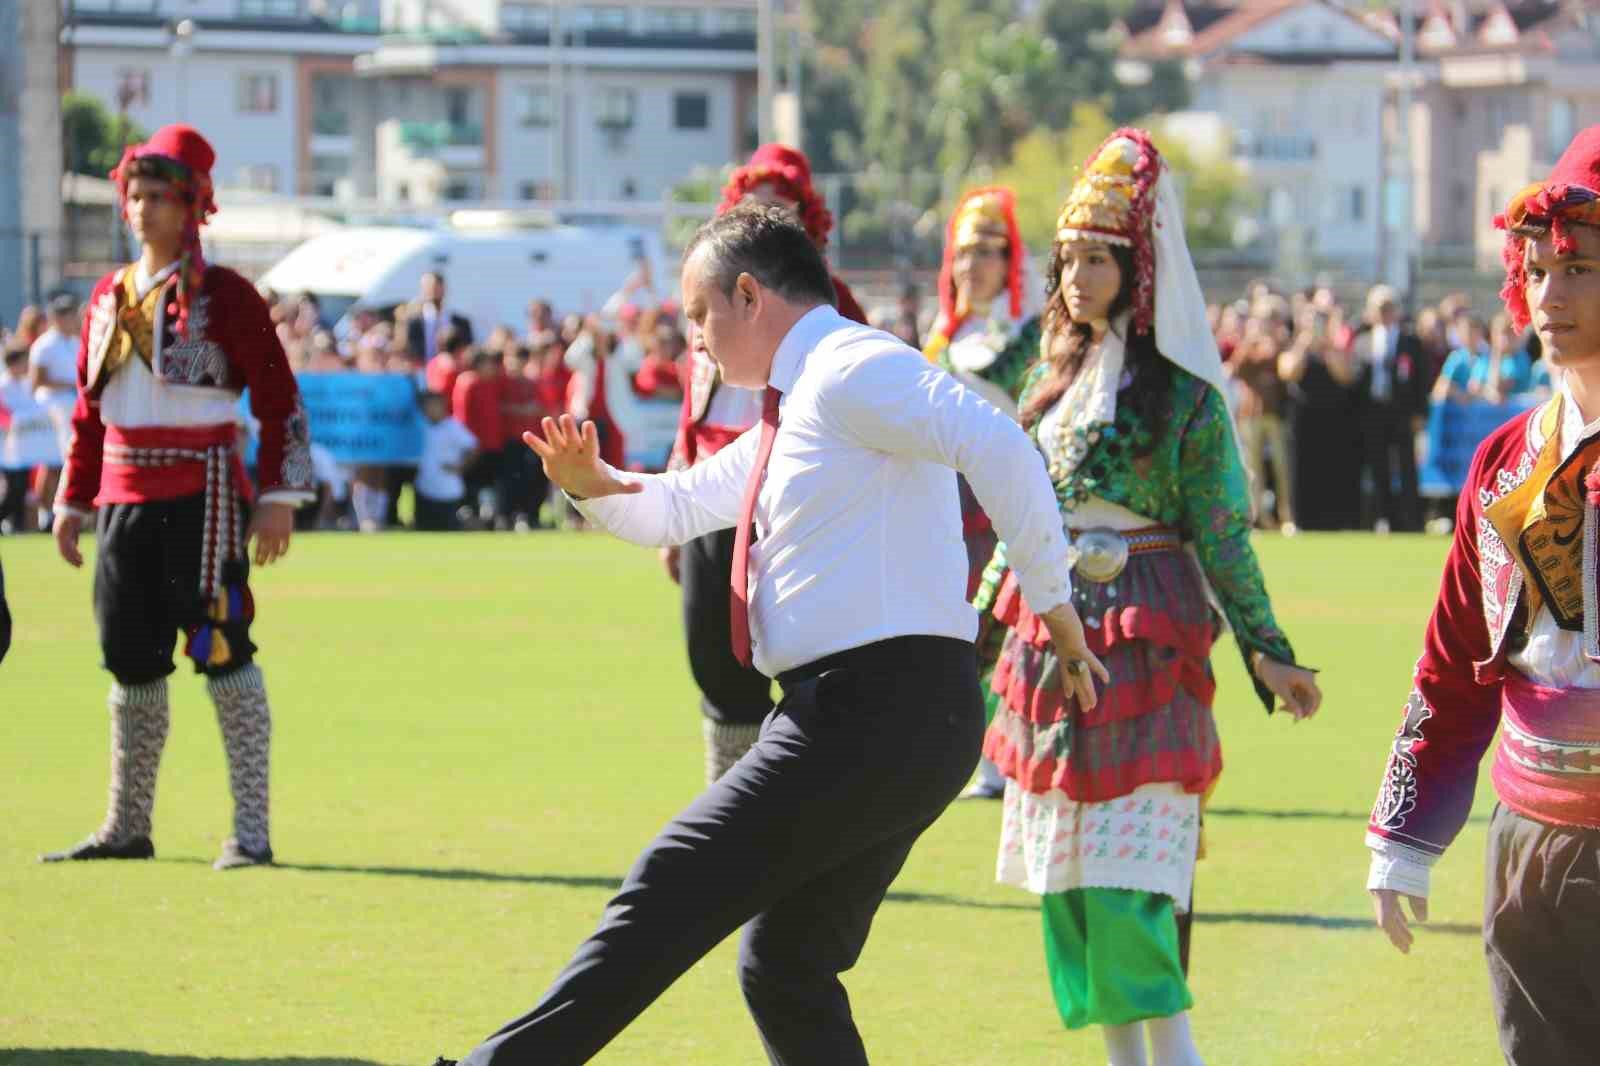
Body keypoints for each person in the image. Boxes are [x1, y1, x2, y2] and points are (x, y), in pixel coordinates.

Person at [431, 203, 1105, 1066]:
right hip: (890, 717)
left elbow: (1003, 449)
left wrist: (1055, 609)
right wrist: (590, 483)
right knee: (785, 964)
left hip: (876, 710)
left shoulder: (850, 368)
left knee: (671, 880)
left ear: (749, 295)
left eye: (700, 316)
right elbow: (677, 505)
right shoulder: (801, 407)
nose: (695, 342)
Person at [978, 130, 1321, 1066]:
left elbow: (1222, 533)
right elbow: (1024, 525)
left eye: (1099, 257)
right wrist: (968, 635)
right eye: (1070, 258)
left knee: (1131, 876)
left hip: (1146, 637)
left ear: (1138, 267)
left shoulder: (1186, 399)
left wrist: (1266, 645)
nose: (1079, 275)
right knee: (1073, 892)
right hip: (1051, 644)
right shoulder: (1050, 388)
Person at [1366, 124, 1600, 1066]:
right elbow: (1454, 657)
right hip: (1530, 848)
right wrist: (1404, 832)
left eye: (1582, 270)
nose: (1553, 294)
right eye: (1538, 269)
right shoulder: (1506, 463)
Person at [42, 124, 313, 869]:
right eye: (135, 195)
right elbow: (89, 412)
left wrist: (280, 495)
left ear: (193, 207)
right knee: (129, 662)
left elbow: (280, 401)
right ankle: (127, 825)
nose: (142, 209)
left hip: (206, 501)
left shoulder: (227, 297)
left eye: (159, 197)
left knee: (222, 651)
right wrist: (73, 502)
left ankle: (250, 832)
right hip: (122, 503)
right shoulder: (107, 295)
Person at [660, 143, 878, 783]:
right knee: (713, 660)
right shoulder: (711, 295)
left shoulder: (828, 301)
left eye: (779, 214)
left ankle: (798, 800)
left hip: (785, 494)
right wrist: (676, 493)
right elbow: (693, 404)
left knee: (803, 656)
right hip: (709, 493)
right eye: (753, 212)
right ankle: (727, 796)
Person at [922, 185, 1041, 799]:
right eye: (964, 252)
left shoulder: (1031, 331)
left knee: (1008, 626)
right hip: (945, 497)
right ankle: (970, 754)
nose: (974, 265)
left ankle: (1009, 758)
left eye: (989, 251)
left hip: (1004, 495)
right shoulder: (940, 333)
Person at [1352, 285, 1428, 532]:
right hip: (1374, 411)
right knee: (1379, 466)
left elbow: (1421, 379)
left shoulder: (1410, 341)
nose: (1384, 313)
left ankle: (1411, 519)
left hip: (1402, 412)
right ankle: (1384, 517)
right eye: (1379, 308)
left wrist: (1420, 413)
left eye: (1388, 308)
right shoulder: (1362, 341)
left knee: (1407, 467)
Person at [1281, 306, 1362, 530]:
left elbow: (1345, 376)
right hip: (1303, 420)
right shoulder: (1295, 349)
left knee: (1331, 471)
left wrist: (1327, 348)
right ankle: (1301, 520)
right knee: (1302, 471)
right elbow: (1288, 372)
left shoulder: (1335, 350)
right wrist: (1303, 345)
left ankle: (1333, 519)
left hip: (1332, 419)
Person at [29, 291, 80, 532]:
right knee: (51, 464)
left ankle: (63, 510)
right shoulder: (44, 345)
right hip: (51, 407)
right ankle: (44, 511)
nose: (71, 319)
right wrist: (68, 385)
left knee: (65, 461)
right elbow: (36, 381)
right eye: (66, 315)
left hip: (71, 406)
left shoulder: (75, 341)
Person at [453, 348, 507, 527]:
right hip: (475, 446)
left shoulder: (492, 383)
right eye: (488, 363)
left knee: (490, 484)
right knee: (473, 485)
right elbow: (463, 417)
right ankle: (471, 519)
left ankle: (488, 520)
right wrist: (470, 444)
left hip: (494, 444)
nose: (492, 367)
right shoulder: (468, 383)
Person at [414, 391, 477, 531]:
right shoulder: (420, 427)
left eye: (435, 405)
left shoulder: (453, 427)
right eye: (428, 406)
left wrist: (461, 467)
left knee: (448, 529)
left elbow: (473, 448)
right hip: (424, 488)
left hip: (448, 490)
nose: (432, 409)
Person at [404, 271, 473, 362]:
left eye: (434, 286)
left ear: (444, 288)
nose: (431, 291)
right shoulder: (413, 323)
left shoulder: (461, 323)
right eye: (426, 287)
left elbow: (468, 352)